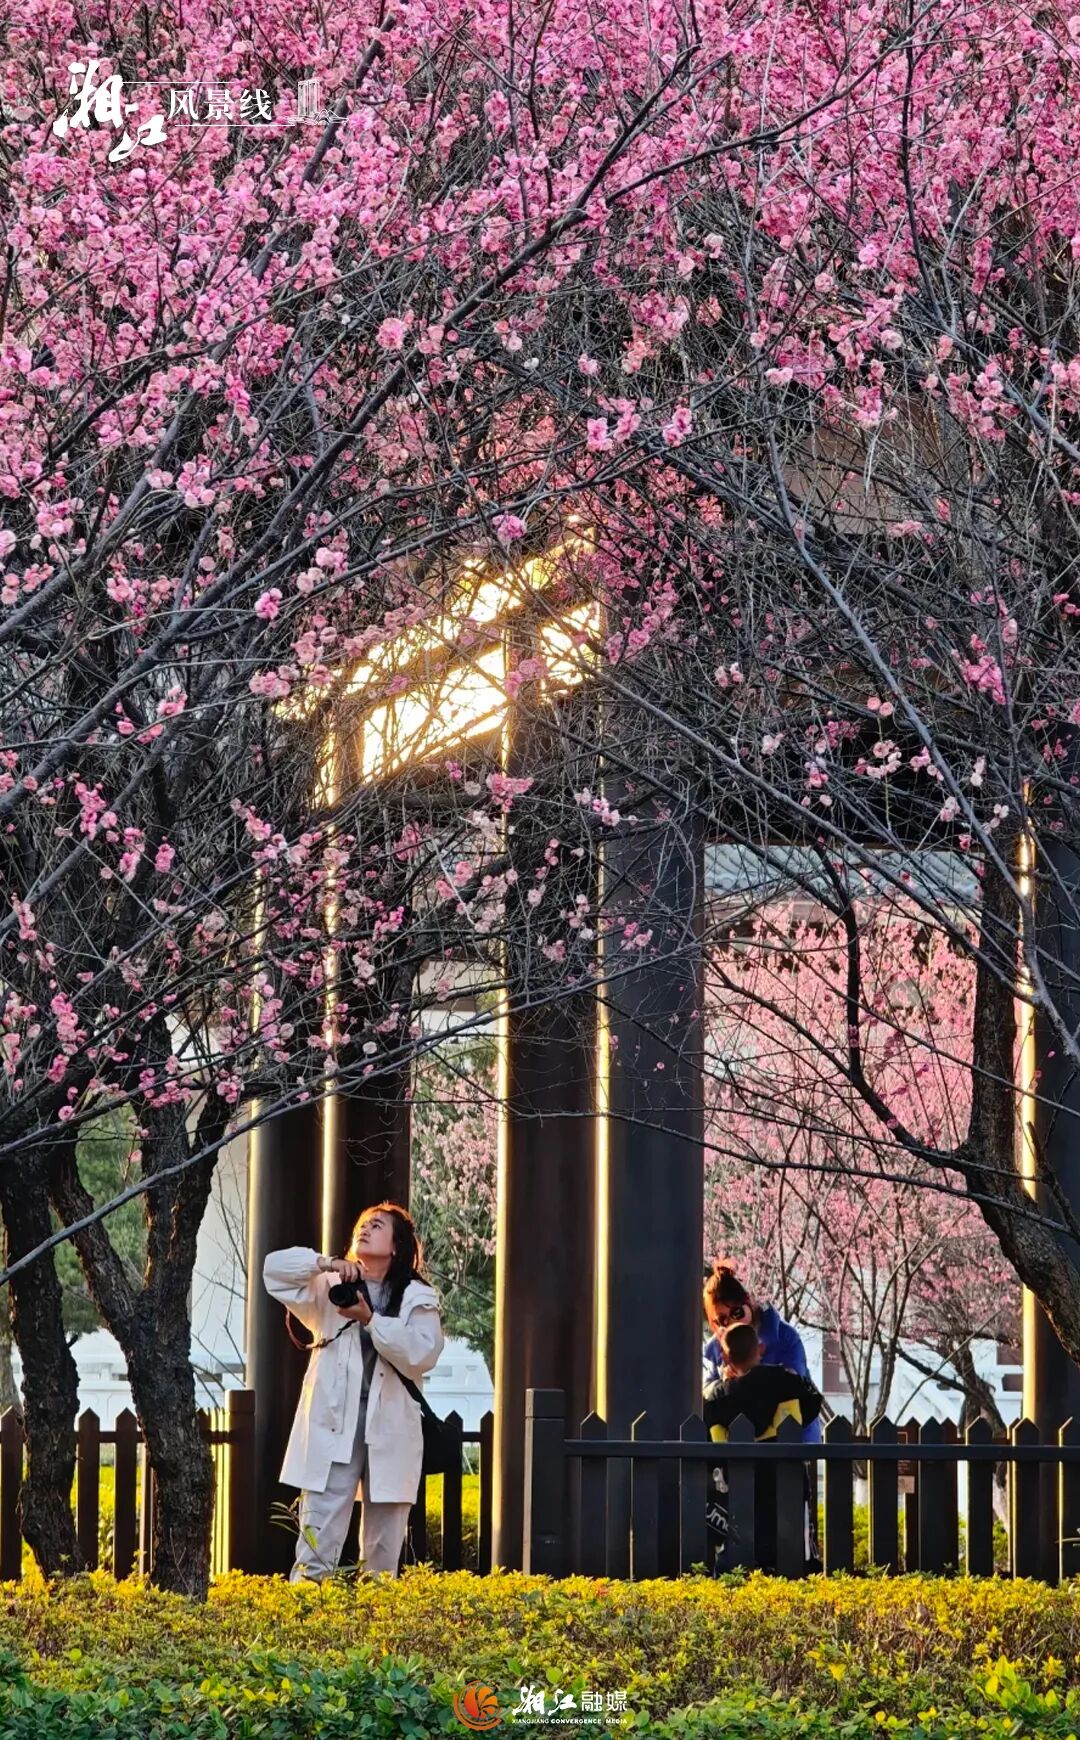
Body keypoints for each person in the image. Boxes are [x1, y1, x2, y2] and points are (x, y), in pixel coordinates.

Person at [263, 1200, 443, 1582]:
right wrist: (325, 1263)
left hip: (390, 1429)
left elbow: (422, 1353)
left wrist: (371, 1320)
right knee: (317, 1544)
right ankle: (307, 1612)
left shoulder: (417, 1296)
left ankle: (375, 1617)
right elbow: (273, 1270)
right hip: (334, 1424)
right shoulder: (331, 1285)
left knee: (383, 1556)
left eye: (377, 1226)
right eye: (362, 1224)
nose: (365, 1229)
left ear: (396, 1245)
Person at [704, 1322, 824, 1572]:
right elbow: (813, 1402)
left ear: (726, 1358)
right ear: (760, 1348)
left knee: (743, 1547)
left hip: (742, 1482)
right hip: (787, 1475)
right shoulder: (786, 1383)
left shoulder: (720, 1397)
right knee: (792, 1551)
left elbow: (707, 1424)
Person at [702, 1260, 822, 1444]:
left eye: (737, 1313)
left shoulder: (784, 1337)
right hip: (738, 1446)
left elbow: (796, 1385)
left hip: (789, 1442)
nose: (733, 1322)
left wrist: (747, 1377)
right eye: (723, 1320)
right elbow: (706, 1394)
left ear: (748, 1302)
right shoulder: (714, 1349)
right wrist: (725, 1384)